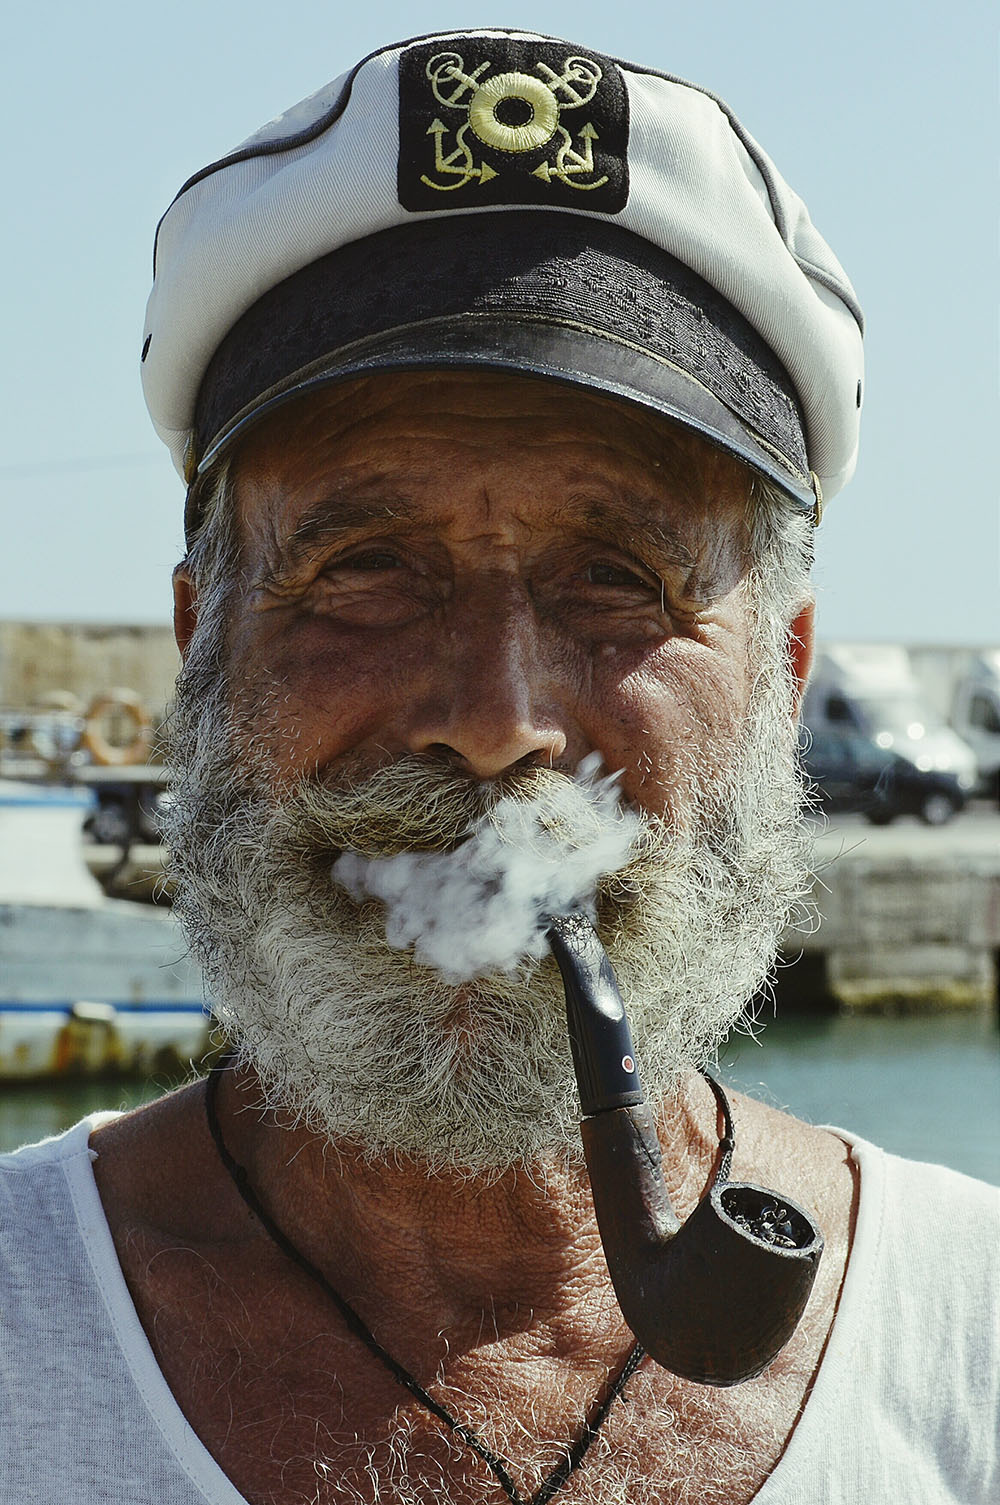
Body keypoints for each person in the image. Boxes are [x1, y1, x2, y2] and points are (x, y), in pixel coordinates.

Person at [1, 28, 997, 1505]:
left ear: (784, 679)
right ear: (201, 643)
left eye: (617, 577)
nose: (494, 718)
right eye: (367, 566)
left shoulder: (972, 1343)